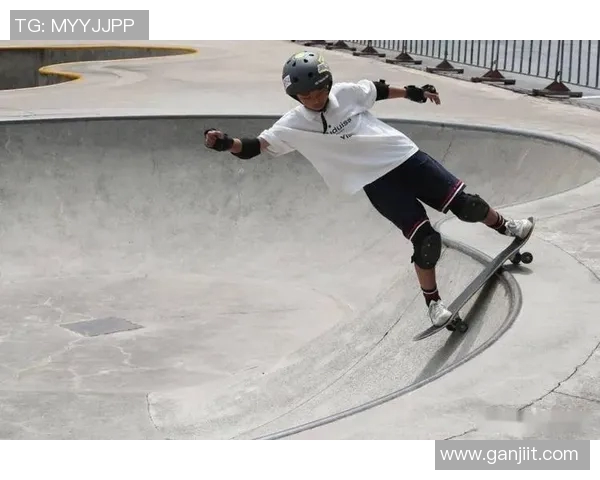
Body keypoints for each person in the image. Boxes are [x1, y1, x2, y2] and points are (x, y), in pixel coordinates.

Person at [204, 51, 533, 329]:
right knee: (426, 241)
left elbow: (377, 90)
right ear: (295, 98)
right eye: (305, 97)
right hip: (377, 183)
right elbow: (255, 147)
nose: (314, 99)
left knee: (467, 206)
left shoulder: (345, 93)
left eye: (318, 92)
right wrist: (225, 143)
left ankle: (507, 226)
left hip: (406, 158)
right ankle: (434, 304)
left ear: (327, 84)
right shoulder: (292, 124)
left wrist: (415, 92)